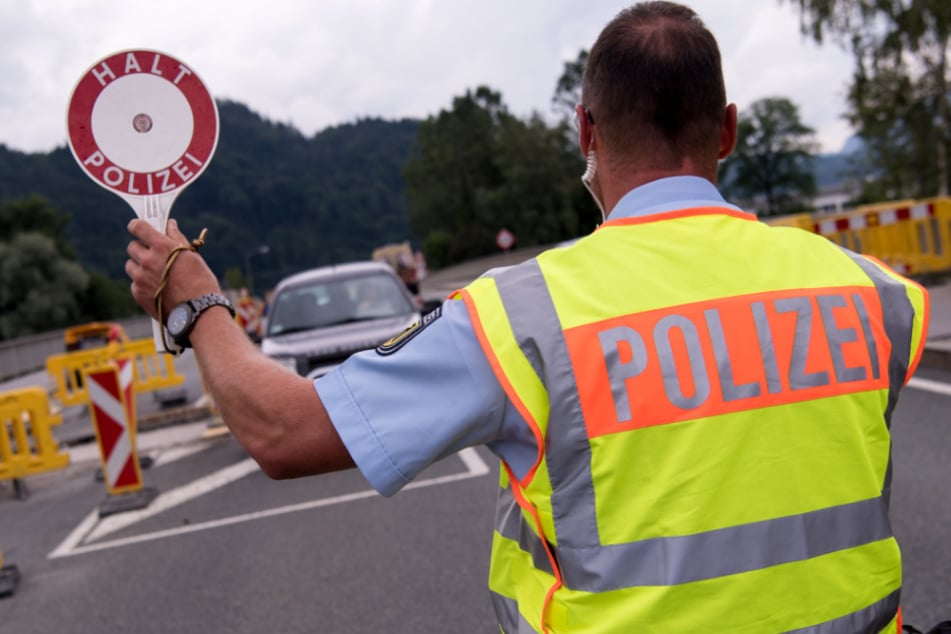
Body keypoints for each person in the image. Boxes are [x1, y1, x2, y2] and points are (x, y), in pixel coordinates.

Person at [125, 2, 930, 632]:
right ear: (725, 129)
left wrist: (196, 302)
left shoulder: (522, 317)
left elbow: (280, 431)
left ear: (584, 131)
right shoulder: (874, 295)